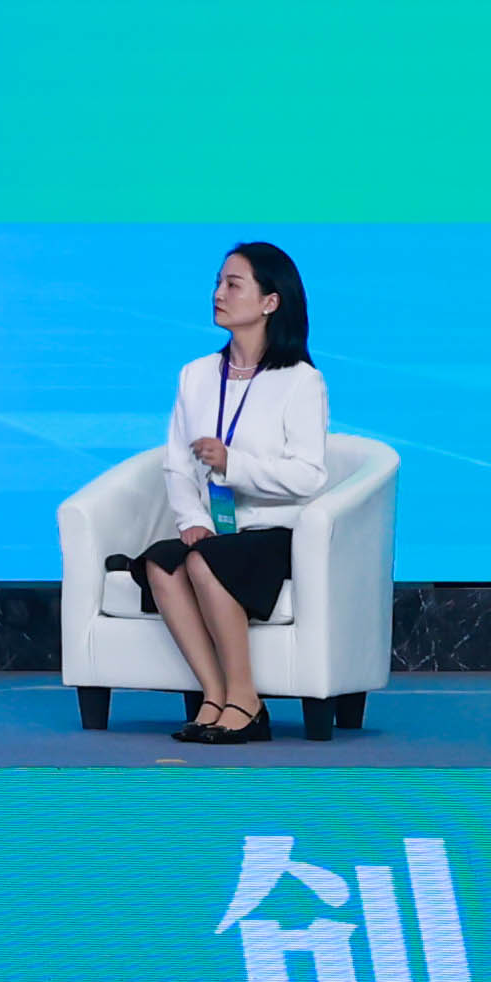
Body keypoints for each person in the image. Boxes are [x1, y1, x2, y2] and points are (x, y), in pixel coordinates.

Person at [130, 240, 330, 747]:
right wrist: (192, 519)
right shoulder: (196, 375)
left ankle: (247, 699)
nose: (219, 294)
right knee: (162, 562)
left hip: (274, 530)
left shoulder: (300, 381)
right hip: (218, 531)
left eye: (234, 285)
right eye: (218, 283)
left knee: (207, 562)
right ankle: (216, 695)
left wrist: (233, 464)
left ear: (270, 301)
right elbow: (176, 463)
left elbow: (309, 476)